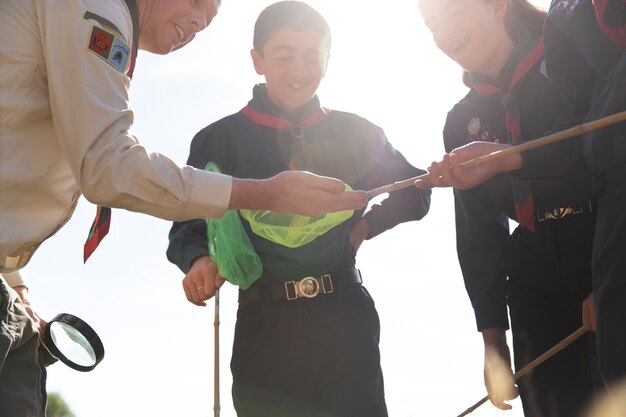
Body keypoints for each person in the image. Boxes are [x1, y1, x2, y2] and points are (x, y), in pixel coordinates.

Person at [0, 0, 368, 416]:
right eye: (195, 2)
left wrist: (16, 288)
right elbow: (107, 164)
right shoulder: (97, 8)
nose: (196, 23)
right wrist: (266, 194)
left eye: (208, 21)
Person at [166, 2, 431, 416]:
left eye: (312, 56)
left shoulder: (357, 132)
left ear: (328, 61)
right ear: (257, 61)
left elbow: (415, 190)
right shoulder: (218, 140)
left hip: (347, 320)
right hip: (263, 324)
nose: (299, 69)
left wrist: (365, 228)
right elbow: (187, 223)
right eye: (284, 55)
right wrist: (198, 259)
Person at [418, 0, 626, 392]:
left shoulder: (572, 53)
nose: (443, 33)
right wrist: (493, 340)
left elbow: (608, 149)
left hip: (602, 240)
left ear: (497, 6)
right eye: (432, 25)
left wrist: (613, 277)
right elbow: (478, 228)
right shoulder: (461, 121)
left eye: (453, 14)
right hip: (534, 280)